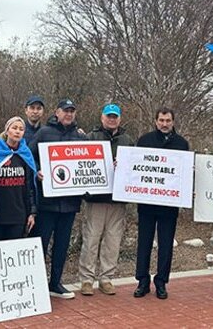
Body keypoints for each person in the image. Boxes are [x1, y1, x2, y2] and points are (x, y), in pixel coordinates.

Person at [29, 99, 86, 299]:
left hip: (70, 203)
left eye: (72, 111)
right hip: (47, 202)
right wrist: (37, 171)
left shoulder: (81, 137)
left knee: (62, 245)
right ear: (57, 112)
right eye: (65, 111)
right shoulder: (44, 132)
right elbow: (29, 155)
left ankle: (55, 283)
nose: (69, 114)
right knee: (41, 244)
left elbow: (87, 164)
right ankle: (35, 283)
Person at [133, 107, 190, 300]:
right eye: (161, 120)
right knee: (144, 243)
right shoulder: (144, 140)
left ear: (173, 122)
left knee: (166, 245)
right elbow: (135, 167)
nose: (164, 124)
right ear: (156, 121)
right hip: (147, 203)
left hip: (169, 204)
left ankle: (161, 282)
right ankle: (142, 281)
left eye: (168, 120)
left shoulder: (182, 143)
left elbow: (185, 173)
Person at [79, 103, 134, 296]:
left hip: (117, 199)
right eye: (109, 116)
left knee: (113, 240)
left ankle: (106, 278)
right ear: (102, 117)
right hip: (96, 198)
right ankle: (86, 278)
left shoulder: (127, 140)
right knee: (91, 239)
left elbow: (134, 168)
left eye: (115, 116)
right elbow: (81, 165)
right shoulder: (91, 138)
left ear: (120, 118)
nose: (112, 119)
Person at [0, 116, 36, 241]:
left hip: (18, 215)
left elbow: (29, 186)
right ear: (7, 131)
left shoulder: (25, 154)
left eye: (21, 129)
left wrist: (32, 213)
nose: (18, 131)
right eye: (14, 128)